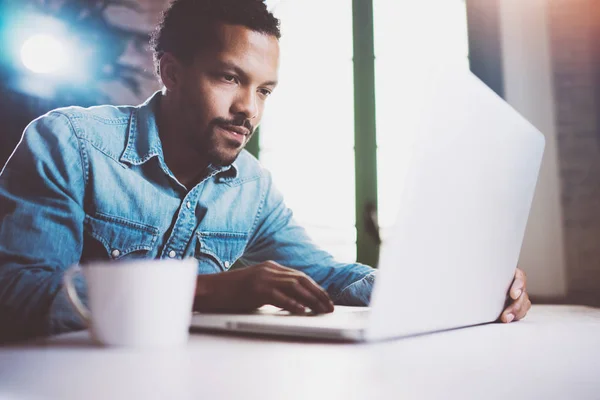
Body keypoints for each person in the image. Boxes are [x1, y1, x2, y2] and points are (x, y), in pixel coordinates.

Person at [0, 0, 530, 342]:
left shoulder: (251, 187)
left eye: (264, 90)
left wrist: (461, 288)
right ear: (171, 71)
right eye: (230, 78)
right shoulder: (70, 142)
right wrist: (208, 289)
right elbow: (16, 296)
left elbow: (327, 275)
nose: (249, 110)